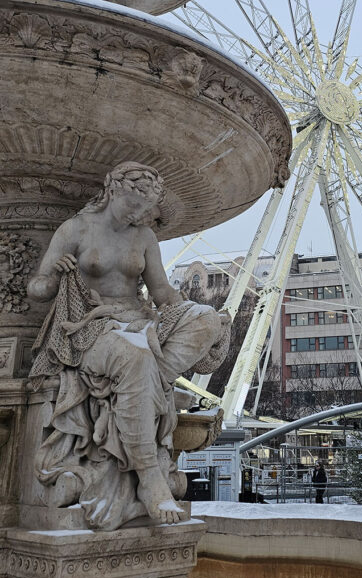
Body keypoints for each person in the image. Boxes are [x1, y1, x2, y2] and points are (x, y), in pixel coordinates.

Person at [27, 162, 230, 531]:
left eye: (145, 209)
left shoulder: (144, 237)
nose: (139, 215)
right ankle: (150, 477)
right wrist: (54, 272)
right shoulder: (76, 229)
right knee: (135, 356)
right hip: (89, 327)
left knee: (205, 317)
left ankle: (147, 383)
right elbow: (36, 289)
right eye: (133, 205)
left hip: (138, 320)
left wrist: (197, 312)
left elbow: (162, 292)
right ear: (113, 190)